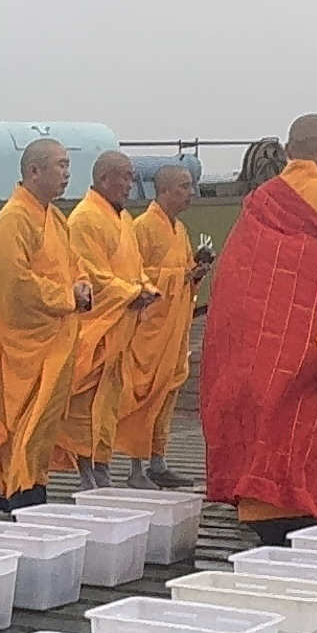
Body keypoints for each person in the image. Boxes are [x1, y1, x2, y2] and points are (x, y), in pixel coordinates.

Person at [199, 113, 317, 544]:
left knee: (259, 414)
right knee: (300, 418)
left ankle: (257, 504)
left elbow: (237, 269)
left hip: (252, 331)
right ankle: (296, 507)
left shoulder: (260, 200)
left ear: (287, 151)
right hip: (308, 330)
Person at [0, 138, 127, 512]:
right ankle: (17, 490)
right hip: (14, 338)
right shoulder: (13, 219)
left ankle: (28, 487)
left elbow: (74, 264)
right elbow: (16, 284)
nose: (67, 174)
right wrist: (67, 297)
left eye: (68, 166)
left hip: (50, 338)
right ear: (34, 171)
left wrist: (82, 285)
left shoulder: (54, 218)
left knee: (41, 421)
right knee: (13, 419)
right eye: (60, 165)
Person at [55, 151, 160, 488]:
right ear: (103, 179)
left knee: (107, 404)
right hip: (95, 329)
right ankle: (86, 472)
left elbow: (135, 269)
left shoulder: (124, 219)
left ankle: (101, 467)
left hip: (119, 327)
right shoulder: (85, 219)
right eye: (124, 177)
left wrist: (146, 288)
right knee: (84, 405)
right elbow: (92, 276)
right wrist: (131, 293)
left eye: (132, 177)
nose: (130, 184)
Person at [115, 164, 205, 487]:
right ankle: (135, 468)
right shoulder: (142, 227)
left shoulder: (180, 229)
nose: (190, 193)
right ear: (164, 190)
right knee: (142, 396)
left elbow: (184, 276)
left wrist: (195, 274)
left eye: (191, 186)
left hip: (174, 328)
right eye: (184, 186)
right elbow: (134, 277)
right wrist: (179, 276)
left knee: (167, 394)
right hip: (149, 330)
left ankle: (158, 461)